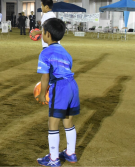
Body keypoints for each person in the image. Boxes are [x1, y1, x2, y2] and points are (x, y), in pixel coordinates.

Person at [36, 18, 80, 167]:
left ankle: (54, 159)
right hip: (72, 86)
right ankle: (70, 153)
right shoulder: (66, 52)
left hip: (60, 88)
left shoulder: (45, 53)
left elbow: (45, 76)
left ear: (47, 34)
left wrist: (42, 93)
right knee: (68, 121)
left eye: (42, 31)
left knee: (53, 123)